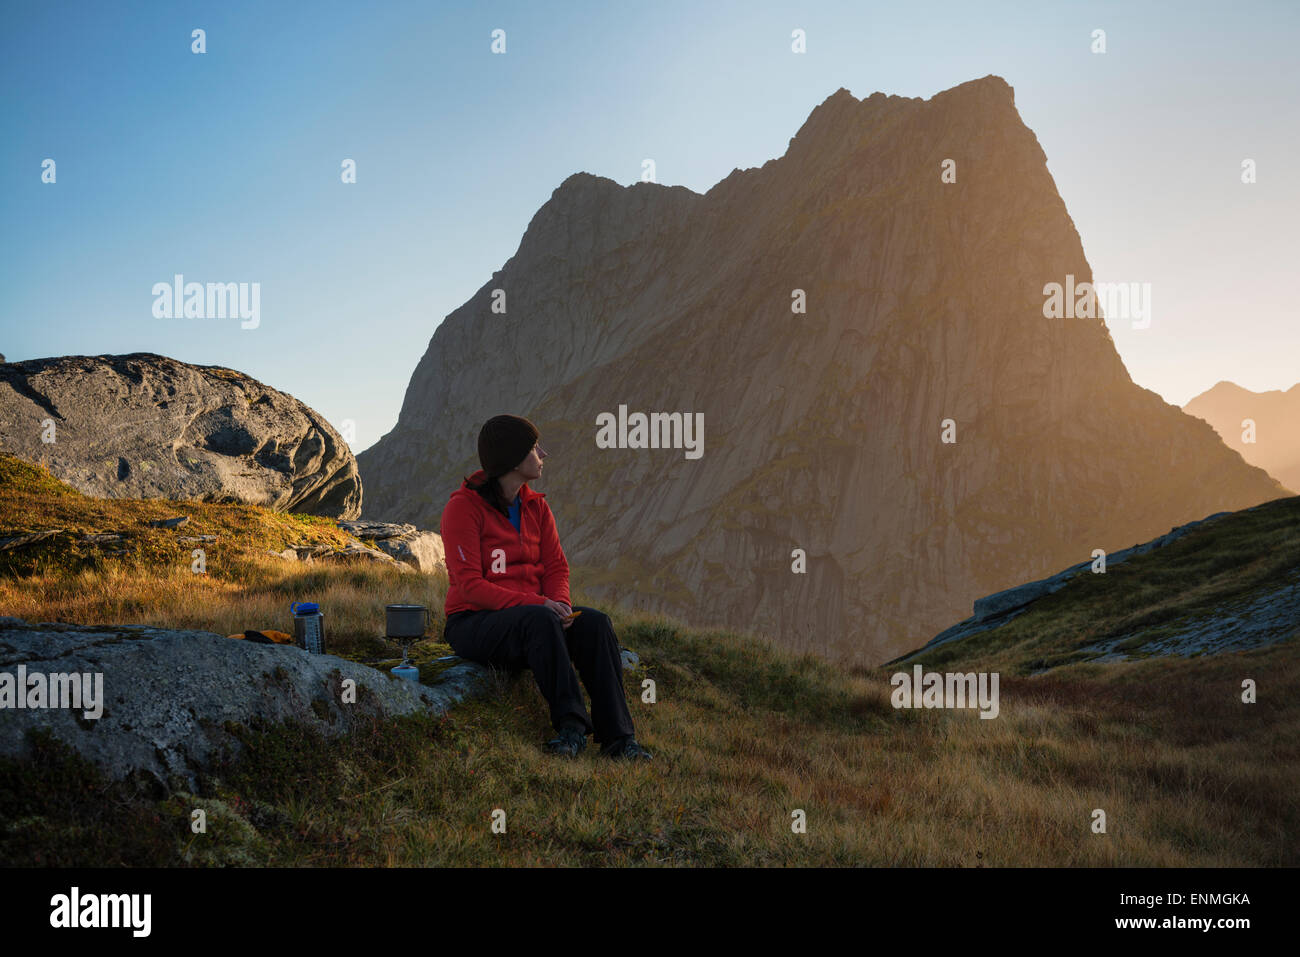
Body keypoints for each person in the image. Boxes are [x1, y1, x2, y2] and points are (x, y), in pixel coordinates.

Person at [439, 413, 652, 760]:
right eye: (535, 447)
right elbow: (469, 586)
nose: (543, 454)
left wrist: (560, 605)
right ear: (513, 458)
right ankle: (571, 729)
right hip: (473, 622)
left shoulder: (536, 506)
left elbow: (556, 567)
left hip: (536, 618)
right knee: (538, 619)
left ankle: (619, 739)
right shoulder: (462, 509)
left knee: (595, 623)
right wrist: (537, 604)